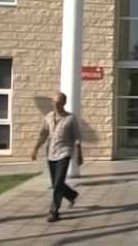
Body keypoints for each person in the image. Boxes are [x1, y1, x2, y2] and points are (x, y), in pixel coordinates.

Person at [31, 92, 83, 222]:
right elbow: (43, 134)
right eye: (54, 101)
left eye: (59, 102)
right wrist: (35, 149)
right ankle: (72, 194)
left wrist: (79, 154)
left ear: (64, 103)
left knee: (58, 182)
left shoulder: (71, 118)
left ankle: (54, 211)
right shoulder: (48, 117)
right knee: (56, 184)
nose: (56, 104)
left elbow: (77, 137)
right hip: (51, 153)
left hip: (64, 153)